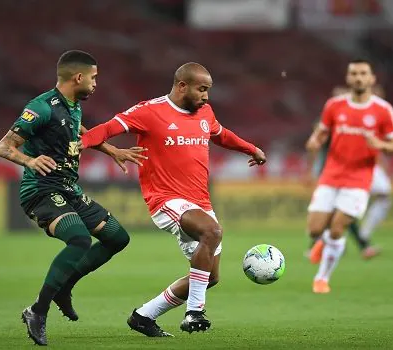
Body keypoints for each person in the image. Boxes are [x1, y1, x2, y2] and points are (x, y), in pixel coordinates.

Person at [81, 62, 266, 335]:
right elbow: (107, 129)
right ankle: (195, 312)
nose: (206, 96)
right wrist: (79, 142)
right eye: (202, 89)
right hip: (165, 199)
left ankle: (144, 316)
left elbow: (221, 135)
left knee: (209, 277)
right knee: (212, 231)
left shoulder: (205, 112)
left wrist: (251, 149)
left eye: (208, 91)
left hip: (200, 201)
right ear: (182, 86)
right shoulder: (149, 111)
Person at [0, 50, 146, 346]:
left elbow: (78, 130)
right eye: (93, 78)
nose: (95, 83)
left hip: (68, 189)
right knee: (79, 239)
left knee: (117, 238)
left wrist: (111, 149)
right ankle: (37, 311)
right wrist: (28, 161)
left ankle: (64, 286)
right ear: (78, 77)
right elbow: (4, 146)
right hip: (40, 191)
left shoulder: (72, 105)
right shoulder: (41, 107)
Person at [305, 59, 393, 294]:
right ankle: (324, 240)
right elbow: (322, 132)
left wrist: (378, 143)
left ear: (371, 79)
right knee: (314, 229)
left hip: (359, 178)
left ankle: (322, 278)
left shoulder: (383, 110)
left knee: (338, 229)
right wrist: (314, 141)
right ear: (348, 78)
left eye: (363, 74)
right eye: (354, 73)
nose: (358, 78)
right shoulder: (334, 105)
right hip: (331, 174)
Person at [305, 84, 391, 259]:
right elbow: (314, 147)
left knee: (340, 211)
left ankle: (322, 246)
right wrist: (310, 171)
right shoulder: (326, 121)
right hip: (329, 172)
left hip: (347, 173)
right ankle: (355, 245)